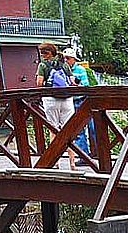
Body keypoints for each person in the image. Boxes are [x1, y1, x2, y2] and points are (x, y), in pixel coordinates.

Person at [36, 42, 79, 170]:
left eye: (43, 52)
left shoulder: (43, 65)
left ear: (47, 53)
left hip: (51, 100)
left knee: (53, 130)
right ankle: (72, 163)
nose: (42, 55)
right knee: (69, 130)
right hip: (66, 100)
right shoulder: (64, 64)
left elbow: (39, 83)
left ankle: (55, 162)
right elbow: (73, 82)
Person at [63, 47, 92, 163]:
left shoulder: (80, 69)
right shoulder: (63, 69)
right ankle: (83, 155)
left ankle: (95, 153)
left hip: (81, 100)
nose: (66, 60)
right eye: (64, 58)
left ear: (73, 59)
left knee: (92, 128)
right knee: (78, 129)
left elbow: (85, 85)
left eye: (68, 58)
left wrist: (75, 83)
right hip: (69, 101)